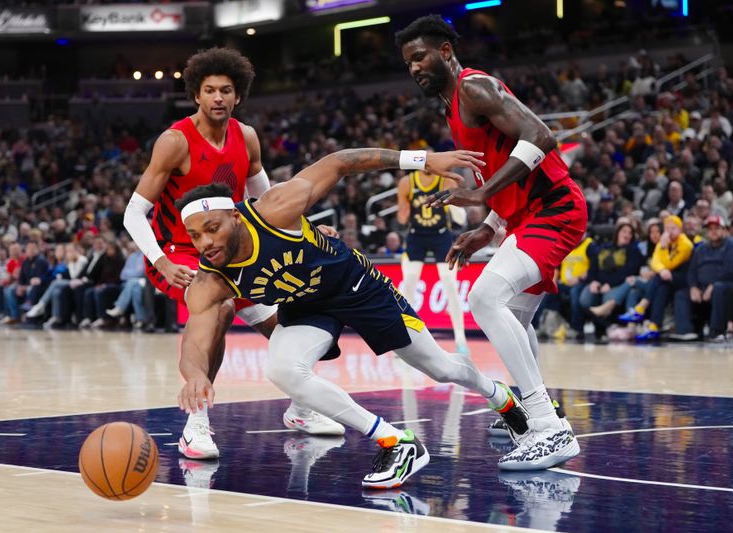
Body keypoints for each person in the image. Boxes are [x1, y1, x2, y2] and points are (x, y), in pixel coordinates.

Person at [176, 147, 534, 488]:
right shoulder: (210, 280)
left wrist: (421, 160)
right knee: (281, 369)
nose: (206, 242)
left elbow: (340, 161)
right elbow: (195, 338)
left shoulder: (275, 208)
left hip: (357, 287)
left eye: (212, 228)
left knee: (441, 368)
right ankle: (395, 441)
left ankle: (498, 395)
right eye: (195, 236)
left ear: (235, 215)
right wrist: (193, 376)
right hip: (306, 306)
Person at [122, 47, 342, 460]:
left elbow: (268, 201)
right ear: (196, 96)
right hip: (181, 252)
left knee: (289, 323)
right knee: (219, 310)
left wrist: (309, 230)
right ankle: (197, 424)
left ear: (238, 96)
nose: (218, 98)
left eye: (226, 90)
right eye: (209, 90)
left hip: (234, 253)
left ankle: (300, 408)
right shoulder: (174, 141)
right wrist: (161, 261)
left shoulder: (247, 137)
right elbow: (134, 212)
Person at [396, 15, 583, 469]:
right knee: (515, 316)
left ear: (444, 51)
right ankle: (533, 409)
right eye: (407, 63)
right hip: (525, 217)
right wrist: (489, 226)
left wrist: (479, 194)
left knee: (484, 298)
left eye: (420, 56)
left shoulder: (473, 87)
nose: (414, 68)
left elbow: (541, 136)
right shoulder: (451, 107)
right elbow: (507, 178)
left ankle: (547, 427)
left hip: (554, 211)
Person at [396, 167, 468, 353]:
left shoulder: (445, 180)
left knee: (450, 286)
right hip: (416, 236)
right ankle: (405, 338)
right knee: (409, 285)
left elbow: (460, 218)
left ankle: (460, 338)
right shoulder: (407, 182)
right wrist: (403, 208)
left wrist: (453, 203)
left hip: (441, 236)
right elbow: (402, 219)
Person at [619, 215, 694, 341]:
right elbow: (655, 261)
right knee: (661, 287)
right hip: (668, 279)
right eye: (667, 228)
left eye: (673, 228)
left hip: (686, 279)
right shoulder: (664, 241)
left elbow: (669, 264)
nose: (669, 231)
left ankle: (640, 308)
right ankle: (654, 326)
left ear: (680, 230)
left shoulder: (685, 244)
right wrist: (662, 267)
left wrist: (663, 248)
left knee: (658, 278)